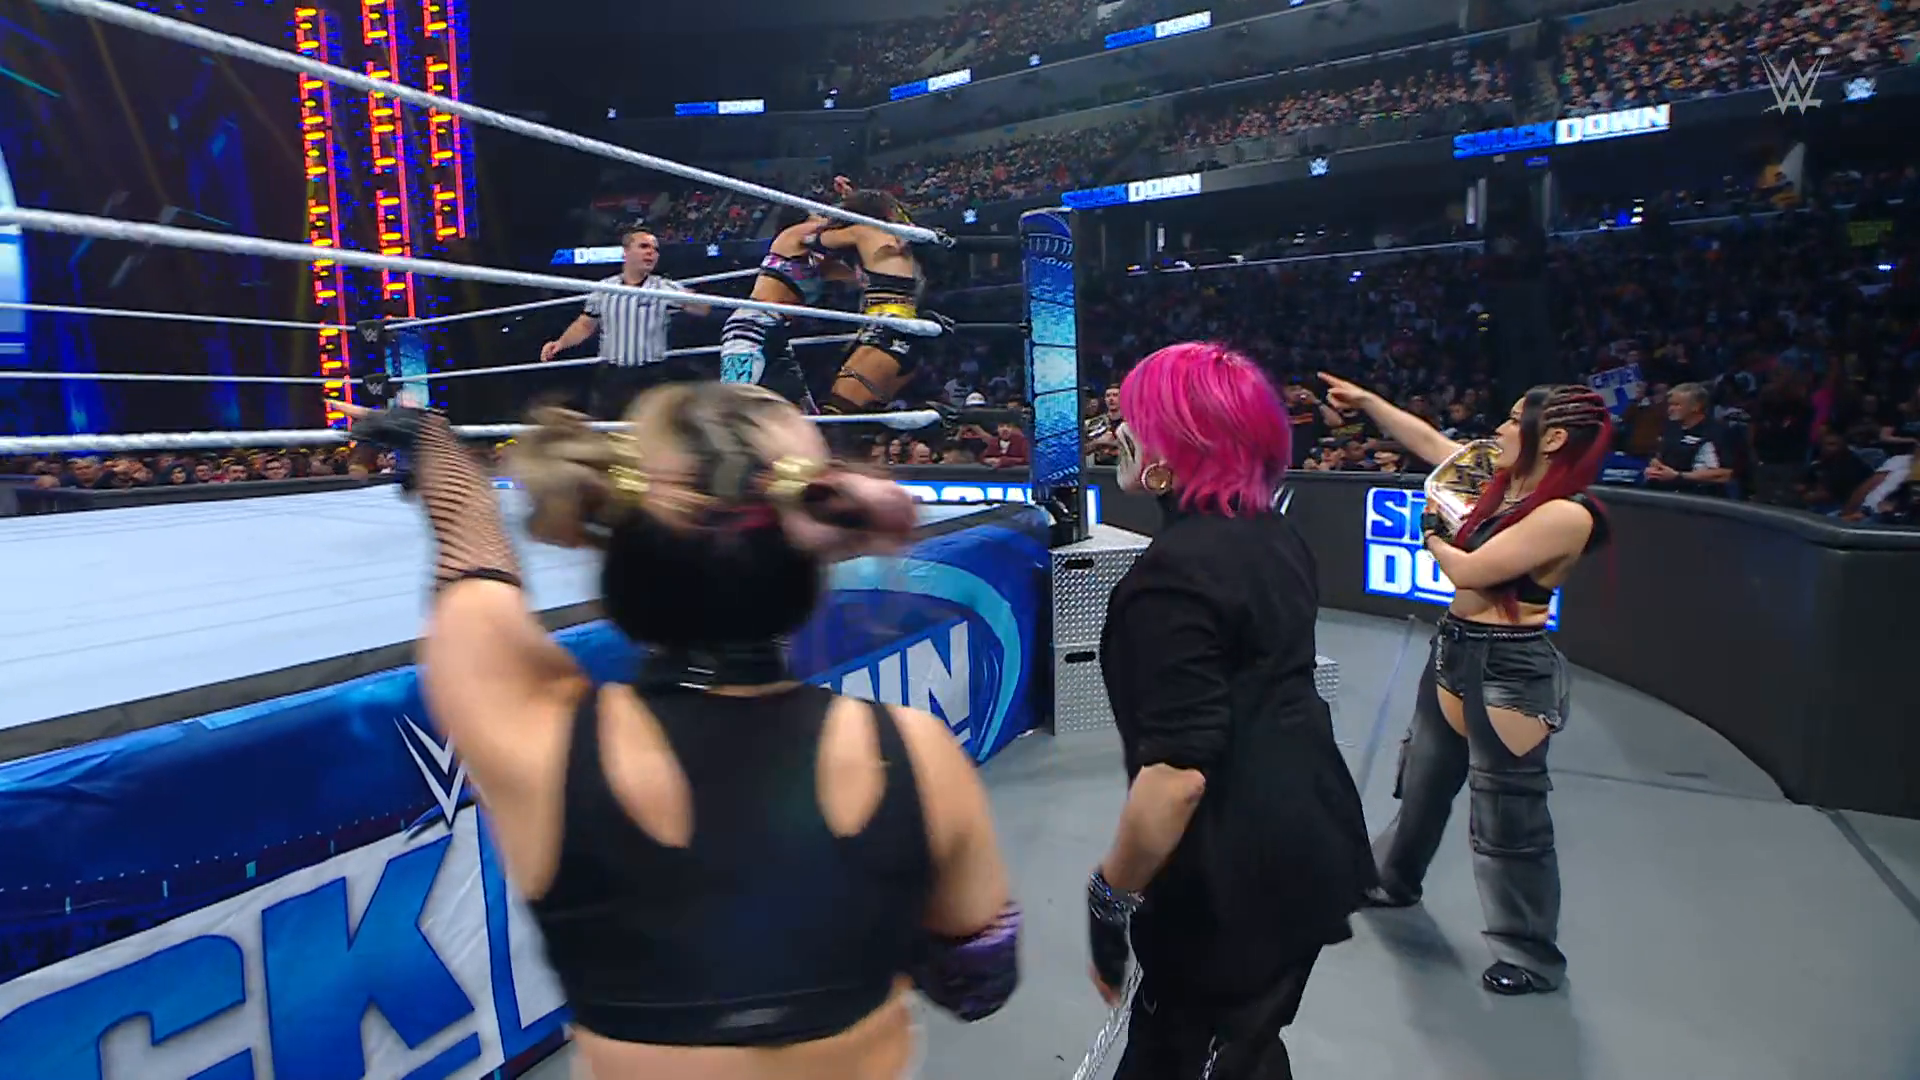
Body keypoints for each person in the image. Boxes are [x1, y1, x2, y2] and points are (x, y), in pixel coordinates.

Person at [327, 383, 1020, 1080]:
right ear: (807, 558)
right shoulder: (912, 753)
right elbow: (979, 981)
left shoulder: (540, 742)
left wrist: (432, 442)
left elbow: (473, 563)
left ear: (624, 546)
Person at [1088, 343, 1375, 1080]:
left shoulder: (1170, 578)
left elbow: (1176, 777)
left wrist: (1110, 894)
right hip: (1312, 840)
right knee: (1247, 1041)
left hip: (1231, 878)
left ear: (1169, 450)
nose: (1117, 430)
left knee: (1188, 1049)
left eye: (1132, 418)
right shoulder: (1274, 536)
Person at [1319, 371, 1614, 997]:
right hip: (1454, 649)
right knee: (1422, 783)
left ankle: (1530, 954)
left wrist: (1430, 531)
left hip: (1510, 668)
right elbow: (1432, 445)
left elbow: (1473, 570)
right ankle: (1392, 881)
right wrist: (1369, 403)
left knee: (1509, 816)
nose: (1500, 428)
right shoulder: (1503, 484)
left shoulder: (1567, 514)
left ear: (1553, 437)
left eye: (1514, 418)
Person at [541, 224, 714, 419]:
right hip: (612, 375)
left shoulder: (663, 287)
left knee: (648, 427)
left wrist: (687, 297)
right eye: (644, 246)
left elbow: (703, 309)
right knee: (606, 427)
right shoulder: (605, 288)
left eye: (655, 249)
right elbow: (585, 324)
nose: (651, 252)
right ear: (626, 252)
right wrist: (560, 344)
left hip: (651, 374)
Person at [718, 194, 861, 412]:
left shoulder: (820, 263)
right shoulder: (790, 236)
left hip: (780, 333)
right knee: (734, 405)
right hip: (751, 325)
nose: (822, 217)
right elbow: (840, 229)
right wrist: (851, 202)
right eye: (817, 213)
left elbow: (858, 278)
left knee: (800, 412)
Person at [805, 184, 931, 414]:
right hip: (900, 325)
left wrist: (834, 214)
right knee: (859, 413)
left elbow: (814, 239)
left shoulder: (862, 231)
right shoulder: (900, 235)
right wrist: (851, 198)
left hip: (887, 326)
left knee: (838, 410)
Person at [1644, 381, 1733, 497]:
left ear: (1696, 407)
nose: (1670, 409)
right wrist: (1656, 466)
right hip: (1666, 494)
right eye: (1670, 404)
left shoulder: (1718, 432)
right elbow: (1659, 455)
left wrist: (1679, 476)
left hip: (1701, 497)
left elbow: (1726, 474)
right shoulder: (1671, 427)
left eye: (1677, 405)